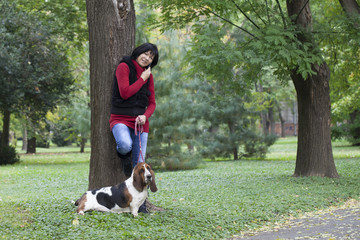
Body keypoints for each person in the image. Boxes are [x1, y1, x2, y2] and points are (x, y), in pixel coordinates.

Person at [109, 43, 158, 182]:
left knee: (141, 166)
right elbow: (125, 93)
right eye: (145, 53)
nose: (147, 58)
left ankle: (141, 201)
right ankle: (125, 157)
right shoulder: (124, 67)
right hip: (120, 118)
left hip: (140, 123)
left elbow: (152, 103)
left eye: (151, 57)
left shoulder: (149, 76)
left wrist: (145, 116)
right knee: (124, 145)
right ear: (138, 52)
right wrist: (142, 78)